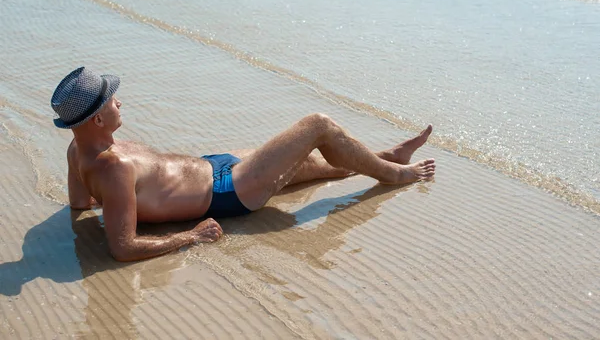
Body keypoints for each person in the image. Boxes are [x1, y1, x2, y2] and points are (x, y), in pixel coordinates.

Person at [51, 67, 436, 262]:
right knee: (318, 125)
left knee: (309, 163)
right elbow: (122, 247)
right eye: (111, 100)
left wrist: (118, 203)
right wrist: (192, 236)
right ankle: (396, 174)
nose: (119, 102)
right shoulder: (112, 167)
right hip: (228, 193)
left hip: (213, 167)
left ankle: (385, 156)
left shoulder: (79, 150)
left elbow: (80, 206)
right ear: (97, 121)